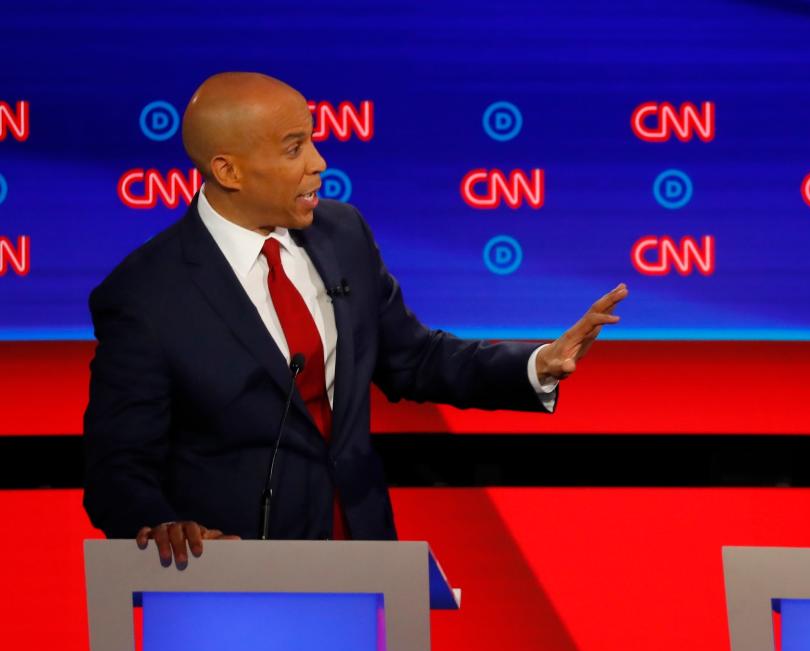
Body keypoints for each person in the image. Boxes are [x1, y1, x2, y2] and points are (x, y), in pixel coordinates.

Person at [83, 72, 627, 565]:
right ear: (228, 170)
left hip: (360, 553)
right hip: (230, 576)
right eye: (295, 148)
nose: (319, 162)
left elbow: (414, 358)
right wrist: (159, 525)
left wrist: (536, 364)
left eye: (313, 141)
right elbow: (118, 466)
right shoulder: (146, 295)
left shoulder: (342, 234)